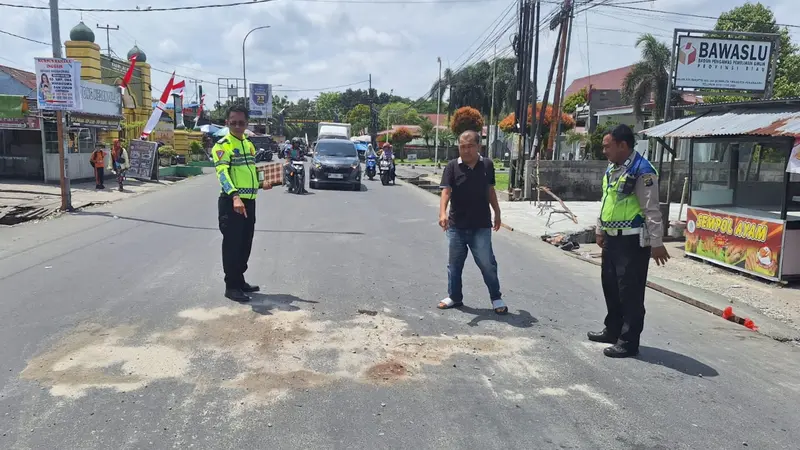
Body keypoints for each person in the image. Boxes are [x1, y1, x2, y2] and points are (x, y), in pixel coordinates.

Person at [589, 124, 670, 358]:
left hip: (632, 243)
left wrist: (657, 242)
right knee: (611, 287)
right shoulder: (612, 168)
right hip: (612, 240)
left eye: (607, 146)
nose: (604, 151)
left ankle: (628, 341)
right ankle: (612, 329)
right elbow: (606, 200)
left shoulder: (642, 171)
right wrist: (600, 229)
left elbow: (651, 209)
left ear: (622, 145)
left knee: (630, 293)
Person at [437, 130, 507, 315]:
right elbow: (446, 191)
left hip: (480, 225)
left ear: (478, 146)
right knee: (454, 265)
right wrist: (442, 213)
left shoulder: (487, 165)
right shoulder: (452, 166)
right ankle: (454, 297)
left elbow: (490, 190)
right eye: (462, 146)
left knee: (487, 263)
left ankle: (496, 297)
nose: (466, 150)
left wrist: (497, 213)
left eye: (470, 146)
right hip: (456, 226)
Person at [213, 104, 272, 302]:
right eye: (234, 122)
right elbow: (223, 174)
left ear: (247, 123)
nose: (238, 126)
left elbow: (250, 170)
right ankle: (231, 286)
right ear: (227, 122)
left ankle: (240, 280)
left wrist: (263, 182)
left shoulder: (248, 144)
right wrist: (235, 196)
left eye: (241, 122)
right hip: (232, 203)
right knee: (232, 245)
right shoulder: (222, 145)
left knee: (246, 243)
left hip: (249, 201)